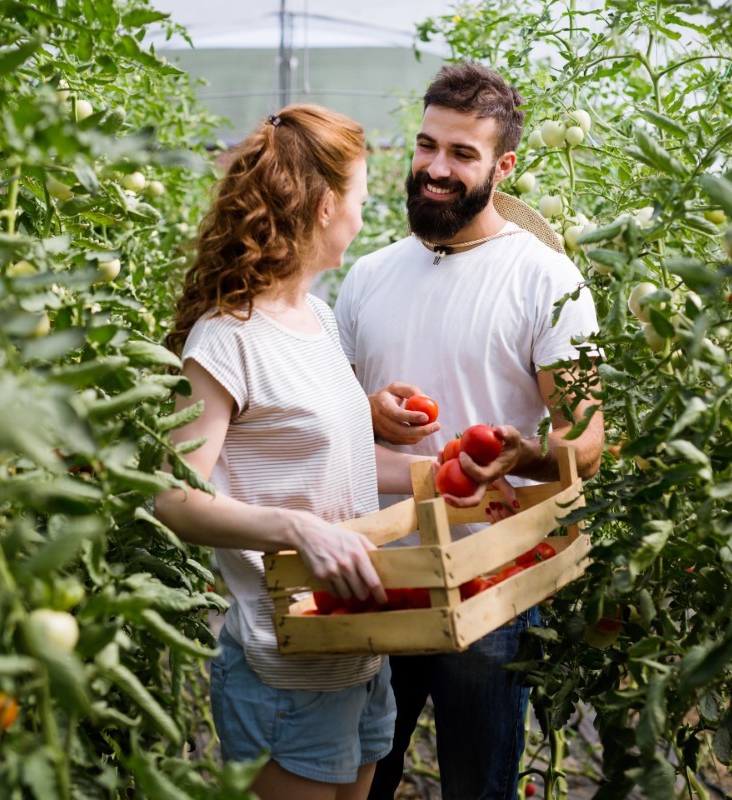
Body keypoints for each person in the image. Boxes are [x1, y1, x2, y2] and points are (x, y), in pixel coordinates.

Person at [333, 62, 606, 800]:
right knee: (359, 780)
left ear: (503, 165)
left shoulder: (547, 280)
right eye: (427, 147)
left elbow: (587, 444)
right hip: (379, 573)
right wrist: (367, 412)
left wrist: (524, 452)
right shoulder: (368, 276)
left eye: (461, 154)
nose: (435, 169)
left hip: (492, 580)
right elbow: (332, 417)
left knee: (477, 786)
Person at [155, 104, 432, 800]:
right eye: (362, 203)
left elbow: (348, 465)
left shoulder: (319, 319)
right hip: (282, 666)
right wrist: (294, 528)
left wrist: (447, 473)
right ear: (325, 206)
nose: (365, 220)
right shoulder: (226, 340)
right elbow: (172, 499)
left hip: (359, 655)